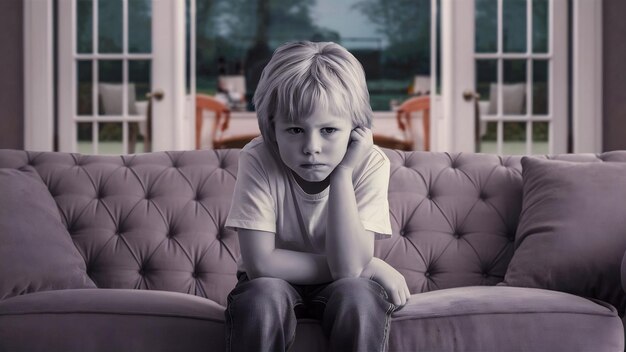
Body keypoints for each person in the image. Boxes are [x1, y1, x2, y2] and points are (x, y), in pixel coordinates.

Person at [224, 41, 410, 352]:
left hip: (342, 285)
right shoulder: (257, 157)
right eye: (295, 130)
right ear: (272, 128)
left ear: (356, 129)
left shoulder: (370, 162)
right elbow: (260, 264)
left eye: (329, 130)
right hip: (269, 283)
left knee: (358, 296)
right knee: (263, 298)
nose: (312, 146)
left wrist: (342, 174)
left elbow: (349, 274)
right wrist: (370, 265)